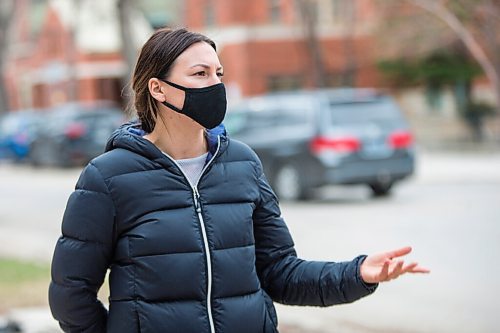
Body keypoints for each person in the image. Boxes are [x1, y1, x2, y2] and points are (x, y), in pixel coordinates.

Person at [48, 27, 429, 333]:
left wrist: (358, 273)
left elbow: (281, 273)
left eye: (218, 74)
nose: (215, 84)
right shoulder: (109, 176)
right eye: (199, 74)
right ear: (158, 88)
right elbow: (71, 295)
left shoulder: (243, 163)